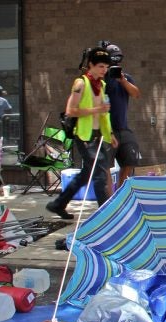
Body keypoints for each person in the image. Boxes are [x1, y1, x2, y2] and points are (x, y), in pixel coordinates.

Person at [46, 47, 118, 220]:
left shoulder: (101, 85)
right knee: (100, 173)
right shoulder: (80, 83)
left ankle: (58, 204)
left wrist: (110, 134)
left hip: (97, 135)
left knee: (86, 174)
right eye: (101, 66)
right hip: (84, 137)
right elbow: (70, 111)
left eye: (106, 67)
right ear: (91, 65)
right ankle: (106, 216)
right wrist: (96, 109)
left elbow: (104, 114)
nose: (104, 70)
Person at [104, 43, 141, 189]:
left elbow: (136, 94)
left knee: (130, 160)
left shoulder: (126, 78)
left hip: (123, 128)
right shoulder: (102, 79)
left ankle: (121, 192)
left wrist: (123, 81)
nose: (116, 64)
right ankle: (109, 199)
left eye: (118, 60)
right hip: (106, 128)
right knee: (105, 165)